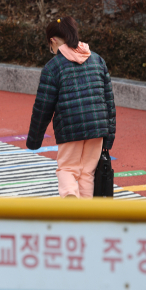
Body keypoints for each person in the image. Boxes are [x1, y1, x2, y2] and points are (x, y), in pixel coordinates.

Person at [26, 16, 116, 199]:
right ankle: (86, 217)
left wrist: (34, 140)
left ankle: (70, 199)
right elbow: (109, 102)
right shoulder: (98, 60)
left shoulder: (53, 68)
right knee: (87, 173)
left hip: (70, 128)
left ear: (53, 41)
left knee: (67, 169)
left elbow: (43, 108)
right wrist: (109, 137)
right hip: (98, 127)